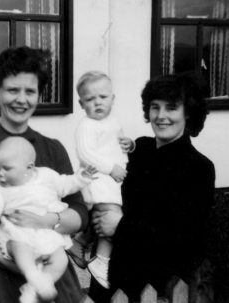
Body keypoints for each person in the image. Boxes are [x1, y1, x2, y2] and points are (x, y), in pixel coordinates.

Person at [0, 46, 92, 303]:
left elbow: (80, 213)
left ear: (39, 95)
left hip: (52, 271)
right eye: (12, 90)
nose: (21, 99)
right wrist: (19, 266)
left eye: (30, 91)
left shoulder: (52, 148)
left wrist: (46, 221)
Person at [88, 72, 216, 302]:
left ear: (188, 112)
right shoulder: (140, 150)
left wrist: (121, 225)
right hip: (111, 274)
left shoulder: (199, 168)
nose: (161, 116)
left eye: (171, 108)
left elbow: (185, 240)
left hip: (157, 284)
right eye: (155, 107)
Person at [0, 137, 96, 303]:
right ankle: (32, 276)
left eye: (6, 169)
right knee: (23, 253)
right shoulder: (0, 191)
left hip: (44, 234)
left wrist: (81, 178)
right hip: (16, 235)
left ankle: (35, 288)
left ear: (29, 167)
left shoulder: (46, 176)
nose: (0, 174)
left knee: (61, 260)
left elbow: (65, 184)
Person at [66, 71, 133, 289]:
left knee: (103, 219)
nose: (97, 103)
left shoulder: (113, 121)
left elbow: (119, 144)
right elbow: (86, 153)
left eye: (103, 97)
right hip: (99, 180)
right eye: (90, 99)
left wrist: (129, 145)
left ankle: (79, 242)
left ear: (113, 99)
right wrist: (111, 168)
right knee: (112, 218)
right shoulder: (87, 125)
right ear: (81, 104)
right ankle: (101, 261)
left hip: (113, 181)